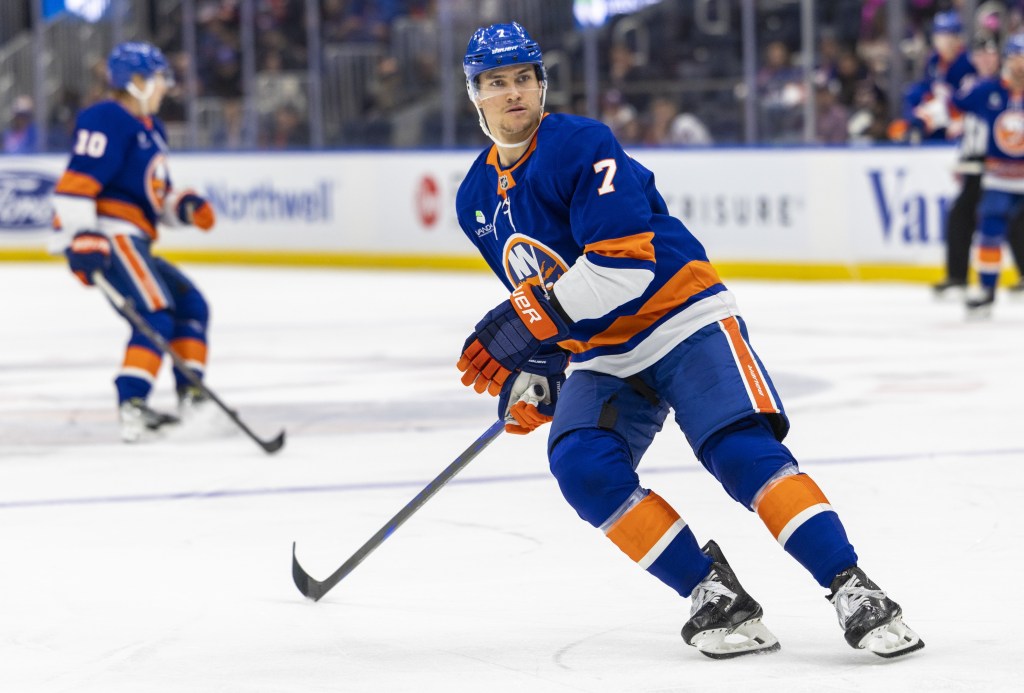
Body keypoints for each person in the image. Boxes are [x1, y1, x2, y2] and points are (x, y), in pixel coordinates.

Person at [454, 22, 925, 660]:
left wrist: (522, 326)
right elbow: (544, 296)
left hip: (681, 316)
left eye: (522, 79)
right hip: (605, 355)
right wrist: (542, 367)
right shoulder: (475, 200)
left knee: (739, 452)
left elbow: (621, 268)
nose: (512, 93)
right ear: (475, 95)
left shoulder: (580, 143)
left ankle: (852, 585)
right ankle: (714, 594)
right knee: (582, 467)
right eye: (495, 83)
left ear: (541, 85)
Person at [50, 42, 217, 442]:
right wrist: (82, 235)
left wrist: (184, 206)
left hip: (137, 238)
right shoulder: (107, 117)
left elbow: (156, 197)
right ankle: (133, 406)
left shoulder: (152, 129)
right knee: (154, 312)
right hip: (113, 236)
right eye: (159, 78)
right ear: (136, 81)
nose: (165, 87)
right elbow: (76, 184)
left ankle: (192, 396)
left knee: (191, 306)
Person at [935, 33, 1024, 298]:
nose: (1020, 64)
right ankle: (983, 288)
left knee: (1014, 225)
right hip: (995, 173)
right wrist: (918, 121)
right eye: (1016, 57)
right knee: (989, 226)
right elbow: (951, 107)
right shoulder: (987, 89)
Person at [901, 10, 975, 143]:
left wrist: (949, 99)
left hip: (960, 113)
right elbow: (926, 85)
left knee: (939, 108)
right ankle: (912, 132)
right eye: (941, 35)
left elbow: (970, 98)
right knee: (913, 95)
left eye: (951, 35)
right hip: (941, 112)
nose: (946, 41)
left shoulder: (967, 62)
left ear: (959, 38)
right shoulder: (933, 60)